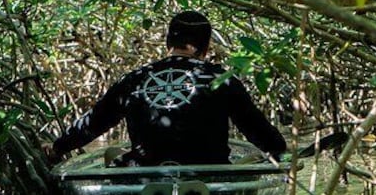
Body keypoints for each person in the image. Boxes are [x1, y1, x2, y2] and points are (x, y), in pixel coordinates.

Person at [49, 10, 286, 166]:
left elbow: (92, 124)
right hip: (210, 174)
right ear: (203, 46)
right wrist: (278, 149)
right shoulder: (221, 79)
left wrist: (58, 148)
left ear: (168, 42)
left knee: (113, 156)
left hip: (144, 173)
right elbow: (259, 131)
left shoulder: (133, 79)